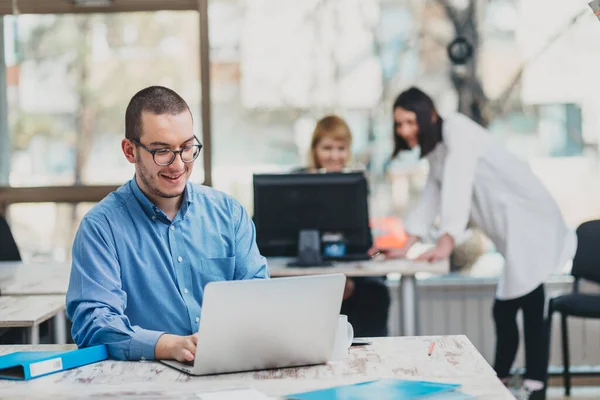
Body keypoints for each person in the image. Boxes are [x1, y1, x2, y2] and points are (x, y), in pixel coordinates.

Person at [379, 87, 576, 400]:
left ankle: (522, 383)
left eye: (410, 121)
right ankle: (516, 382)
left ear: (429, 115)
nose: (403, 130)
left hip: (530, 218)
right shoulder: (437, 149)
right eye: (399, 124)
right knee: (515, 304)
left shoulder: (457, 131)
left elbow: (457, 183)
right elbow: (432, 193)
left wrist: (446, 240)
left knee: (515, 304)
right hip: (513, 226)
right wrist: (406, 243)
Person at [66, 86, 269, 362]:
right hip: (144, 379)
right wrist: (165, 345)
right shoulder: (101, 228)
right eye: (162, 151)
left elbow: (260, 298)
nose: (178, 165)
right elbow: (94, 324)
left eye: (186, 148)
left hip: (229, 368)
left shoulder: (229, 213)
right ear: (130, 150)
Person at [300, 115, 390, 337]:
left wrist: (349, 276)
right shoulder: (296, 182)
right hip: (304, 272)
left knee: (376, 291)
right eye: (327, 148)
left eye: (341, 148)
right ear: (315, 149)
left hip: (350, 268)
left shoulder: (356, 185)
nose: (334, 156)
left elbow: (365, 242)